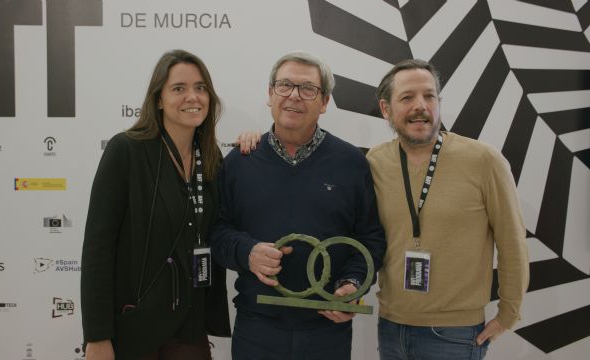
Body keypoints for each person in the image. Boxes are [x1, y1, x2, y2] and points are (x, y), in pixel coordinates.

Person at [211, 51, 387, 360]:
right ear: (270, 94)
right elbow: (217, 232)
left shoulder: (351, 162)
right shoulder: (240, 161)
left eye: (308, 89)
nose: (294, 96)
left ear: (324, 102)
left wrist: (352, 285)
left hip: (326, 331)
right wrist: (247, 252)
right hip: (256, 329)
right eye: (284, 85)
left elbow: (370, 238)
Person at [366, 59, 529, 359]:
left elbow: (512, 241)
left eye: (429, 96)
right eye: (407, 97)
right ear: (386, 109)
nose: (421, 106)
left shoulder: (483, 160)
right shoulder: (374, 162)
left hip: (454, 334)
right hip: (390, 327)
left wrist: (509, 313)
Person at [80, 49, 230, 360]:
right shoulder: (127, 151)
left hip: (190, 327)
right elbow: (98, 248)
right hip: (136, 327)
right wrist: (96, 336)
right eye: (179, 88)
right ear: (158, 99)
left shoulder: (212, 157)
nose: (193, 97)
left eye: (201, 87)